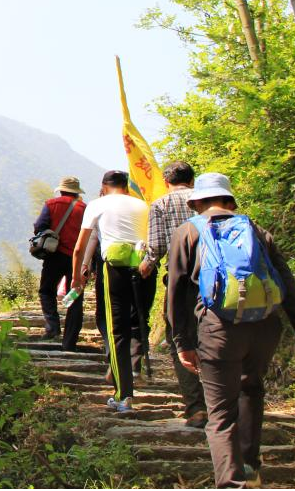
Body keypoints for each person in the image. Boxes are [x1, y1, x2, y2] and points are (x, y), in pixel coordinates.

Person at [166, 173, 295, 489]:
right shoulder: (255, 230)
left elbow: (175, 290)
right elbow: (287, 284)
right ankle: (251, 469)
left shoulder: (188, 232)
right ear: (229, 201)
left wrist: (181, 340)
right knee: (251, 388)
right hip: (266, 328)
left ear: (197, 203)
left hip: (219, 330)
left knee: (221, 414)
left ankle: (231, 484)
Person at [72, 170, 153, 413]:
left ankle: (124, 395)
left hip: (114, 269)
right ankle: (137, 367)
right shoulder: (142, 205)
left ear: (104, 186)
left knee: (117, 330)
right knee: (138, 320)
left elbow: (80, 247)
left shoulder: (97, 204)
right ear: (126, 186)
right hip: (144, 267)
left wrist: (77, 278)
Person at [139, 160, 207, 429]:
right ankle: (220, 402)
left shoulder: (162, 204)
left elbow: (156, 246)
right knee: (211, 338)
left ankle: (196, 407)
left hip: (180, 281)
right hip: (214, 279)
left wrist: (146, 265)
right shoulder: (206, 201)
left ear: (166, 182)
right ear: (192, 180)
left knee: (180, 339)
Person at [32, 177, 87, 349]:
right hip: (77, 258)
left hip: (55, 255)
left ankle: (53, 327)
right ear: (77, 192)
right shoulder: (84, 208)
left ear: (61, 190)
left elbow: (39, 226)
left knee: (47, 291)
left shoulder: (51, 204)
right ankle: (70, 339)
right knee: (76, 295)